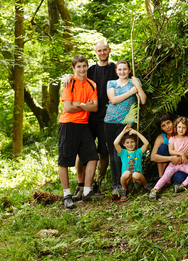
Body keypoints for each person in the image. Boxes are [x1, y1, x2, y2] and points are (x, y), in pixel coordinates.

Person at [63, 40, 117, 200]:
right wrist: (67, 75)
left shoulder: (114, 69)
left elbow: (125, 77)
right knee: (82, 153)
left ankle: (96, 183)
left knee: (103, 152)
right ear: (96, 52)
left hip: (107, 117)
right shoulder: (91, 69)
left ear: (109, 50)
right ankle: (81, 185)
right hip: (87, 118)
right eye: (99, 50)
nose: (102, 53)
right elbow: (76, 76)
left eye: (104, 50)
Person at [58, 55, 103, 209]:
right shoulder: (69, 82)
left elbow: (95, 107)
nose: (82, 69)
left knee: (92, 157)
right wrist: (85, 105)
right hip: (68, 124)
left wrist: (78, 104)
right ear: (73, 68)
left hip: (84, 124)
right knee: (64, 161)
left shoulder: (92, 84)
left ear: (87, 67)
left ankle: (87, 192)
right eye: (78, 67)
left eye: (84, 66)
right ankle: (67, 195)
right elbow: (68, 108)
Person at [104, 60, 147, 198]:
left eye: (125, 69)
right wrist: (130, 92)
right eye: (119, 69)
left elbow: (143, 100)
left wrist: (137, 86)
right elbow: (113, 100)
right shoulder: (111, 83)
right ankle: (116, 183)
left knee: (125, 152)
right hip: (110, 121)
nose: (122, 72)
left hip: (126, 122)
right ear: (116, 71)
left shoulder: (134, 81)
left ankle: (128, 181)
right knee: (113, 152)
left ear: (129, 70)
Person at [149, 116, 188, 199]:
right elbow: (170, 151)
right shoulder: (172, 139)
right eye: (179, 127)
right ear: (176, 127)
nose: (181, 129)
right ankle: (155, 190)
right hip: (173, 164)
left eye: (183, 128)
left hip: (184, 165)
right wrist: (181, 154)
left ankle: (182, 186)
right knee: (165, 177)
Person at [113, 124, 152, 201]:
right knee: (126, 173)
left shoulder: (138, 152)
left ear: (136, 142)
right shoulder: (123, 153)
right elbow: (115, 143)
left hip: (137, 180)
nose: (130, 144)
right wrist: (123, 132)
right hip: (127, 181)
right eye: (127, 142)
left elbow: (146, 143)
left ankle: (146, 186)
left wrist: (137, 133)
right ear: (123, 144)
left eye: (132, 142)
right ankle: (124, 190)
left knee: (136, 174)